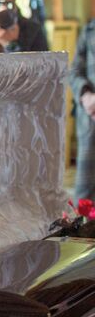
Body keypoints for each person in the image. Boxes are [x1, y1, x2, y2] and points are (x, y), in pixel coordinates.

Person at [71, 19, 95, 202]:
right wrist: (85, 95)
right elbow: (75, 72)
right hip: (90, 117)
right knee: (84, 196)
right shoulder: (89, 30)